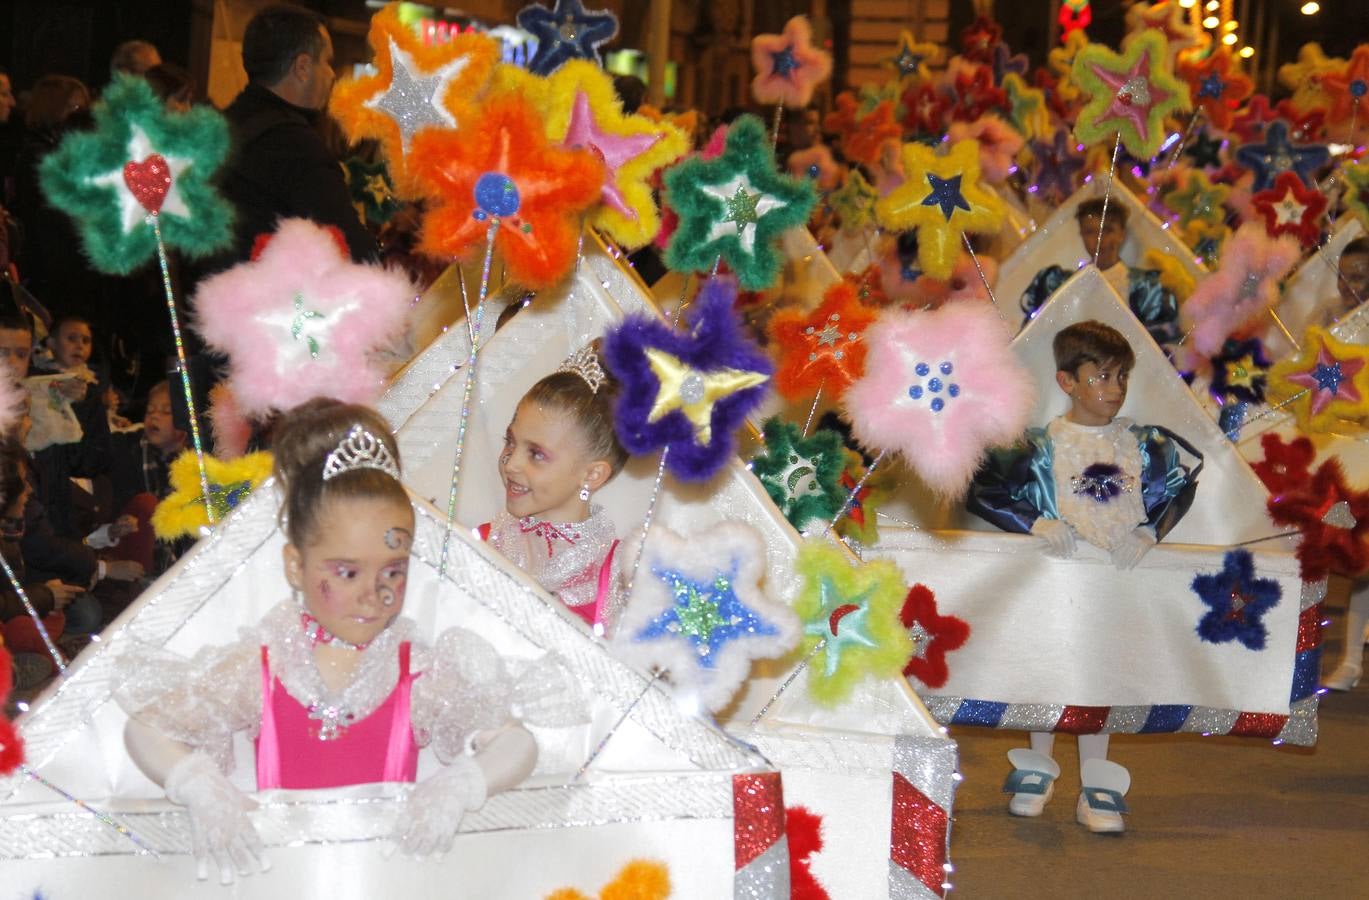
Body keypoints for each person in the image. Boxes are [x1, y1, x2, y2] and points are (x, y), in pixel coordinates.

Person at [118, 398, 579, 883]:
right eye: (347, 572)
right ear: (296, 565)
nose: (374, 594)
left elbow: (516, 746)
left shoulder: (415, 674)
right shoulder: (265, 666)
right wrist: (197, 784)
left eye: (393, 571)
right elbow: (144, 729)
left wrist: (463, 785)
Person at [966, 320, 1202, 834]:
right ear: (1067, 382)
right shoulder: (1037, 447)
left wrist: (1149, 531)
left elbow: (1178, 489)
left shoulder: (1144, 444)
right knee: (1046, 668)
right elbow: (981, 491)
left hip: (1115, 582)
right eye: (1101, 377)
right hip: (1053, 582)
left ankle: (1097, 778)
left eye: (1122, 378)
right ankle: (1036, 767)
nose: (1114, 390)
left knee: (1101, 671)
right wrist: (1033, 520)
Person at [217, 4, 378, 265]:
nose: (332, 74)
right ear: (302, 67)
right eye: (327, 61)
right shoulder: (298, 147)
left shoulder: (222, 126)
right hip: (274, 300)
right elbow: (355, 251)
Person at [484, 344, 628, 634]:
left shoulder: (613, 580)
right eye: (510, 441)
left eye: (536, 454)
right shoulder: (489, 538)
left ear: (592, 474)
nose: (511, 463)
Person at [1020, 200, 1181, 353]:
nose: (1099, 239)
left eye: (1107, 230)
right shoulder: (1060, 283)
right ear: (1082, 235)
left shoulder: (1145, 288)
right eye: (1090, 232)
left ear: (1121, 234)